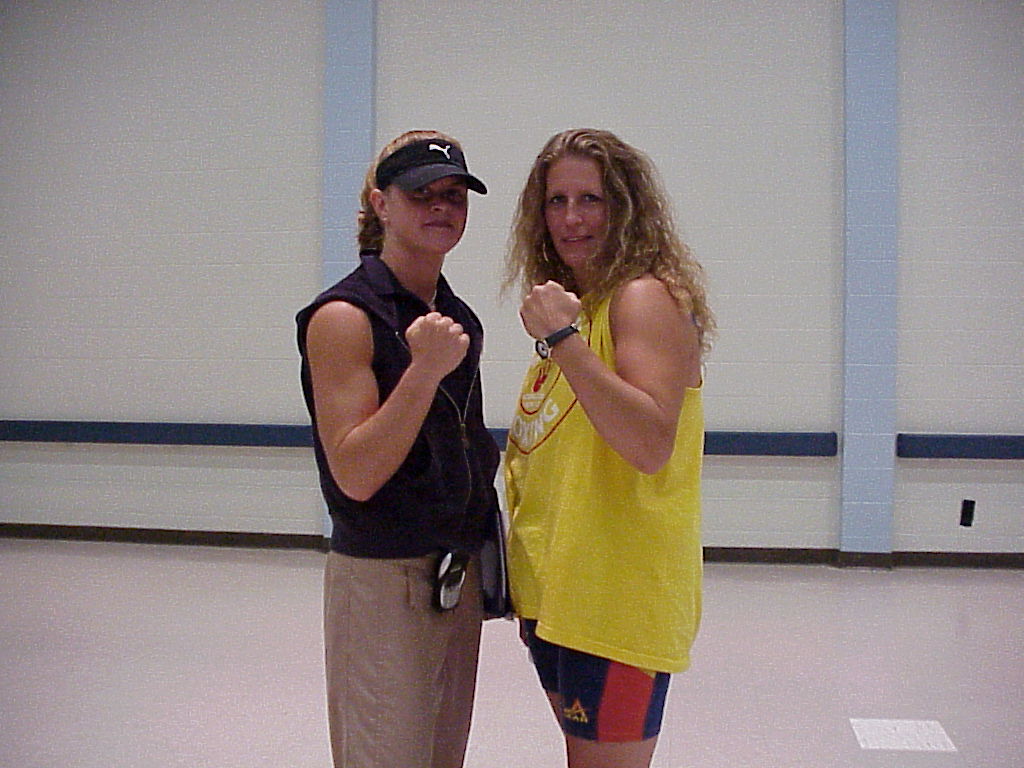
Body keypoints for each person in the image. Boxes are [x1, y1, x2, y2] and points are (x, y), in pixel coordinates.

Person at [503, 128, 715, 768]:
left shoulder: (642, 298)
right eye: (556, 201)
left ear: (624, 207)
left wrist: (563, 338)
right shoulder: (581, 307)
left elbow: (650, 443)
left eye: (590, 199)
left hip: (617, 603)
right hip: (561, 595)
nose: (571, 218)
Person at [295, 130, 502, 768]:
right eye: (421, 195)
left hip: (455, 576)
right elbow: (355, 471)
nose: (442, 207)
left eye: (454, 196)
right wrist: (421, 371)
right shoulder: (343, 318)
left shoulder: (457, 318)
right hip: (383, 580)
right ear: (381, 205)